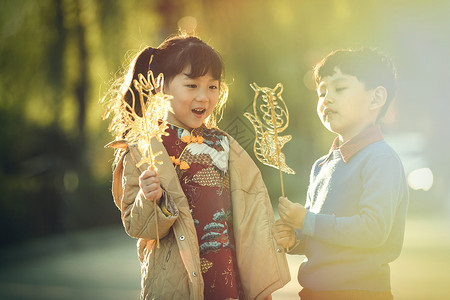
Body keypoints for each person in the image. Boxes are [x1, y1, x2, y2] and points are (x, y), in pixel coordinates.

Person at [102, 35, 290, 300]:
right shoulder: (145, 146)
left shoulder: (224, 144)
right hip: (177, 284)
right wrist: (149, 198)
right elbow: (138, 227)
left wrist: (278, 234)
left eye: (212, 86)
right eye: (191, 85)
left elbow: (251, 212)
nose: (204, 97)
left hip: (228, 277)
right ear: (161, 85)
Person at [272, 48, 409, 300]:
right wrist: (294, 239)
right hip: (314, 292)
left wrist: (307, 221)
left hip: (359, 292)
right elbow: (317, 236)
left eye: (340, 88)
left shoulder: (380, 159)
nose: (326, 99)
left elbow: (373, 230)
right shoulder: (321, 165)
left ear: (376, 98)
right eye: (322, 92)